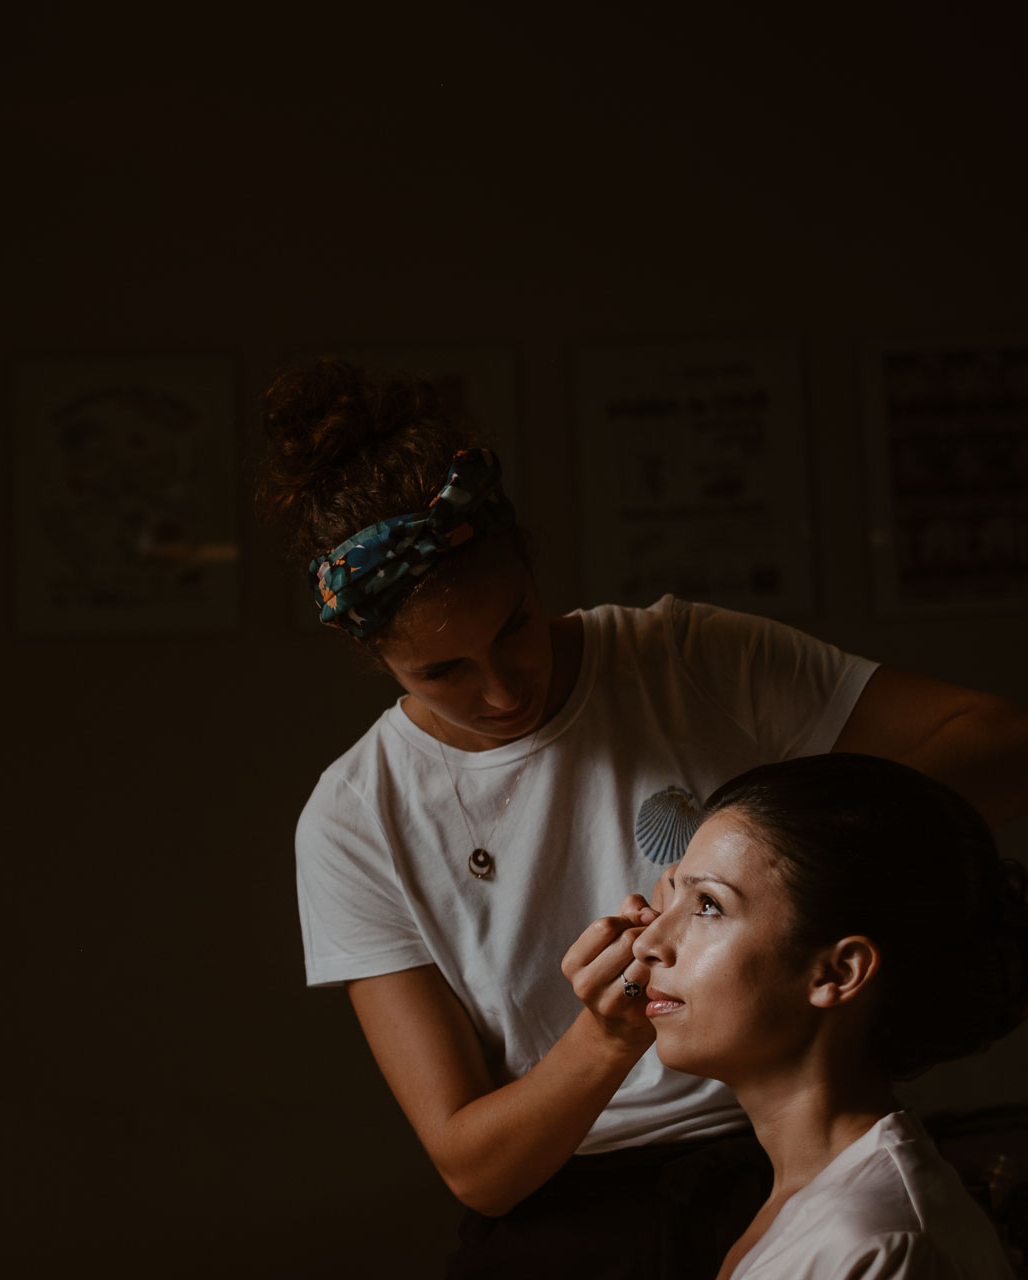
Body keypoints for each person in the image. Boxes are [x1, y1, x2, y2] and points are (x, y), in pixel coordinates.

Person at [260, 359, 1028, 1277]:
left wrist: (789, 855)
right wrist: (612, 1030)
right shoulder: (355, 821)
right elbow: (477, 1171)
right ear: (378, 659)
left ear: (533, 574)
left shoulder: (682, 655)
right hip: (575, 1211)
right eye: (444, 672)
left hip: (781, 1148)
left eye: (514, 628)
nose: (502, 689)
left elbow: (999, 740)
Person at [629, 753, 1027, 1279]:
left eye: (708, 905)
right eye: (673, 894)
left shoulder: (878, 1243)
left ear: (837, 973)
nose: (650, 941)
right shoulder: (811, 1202)